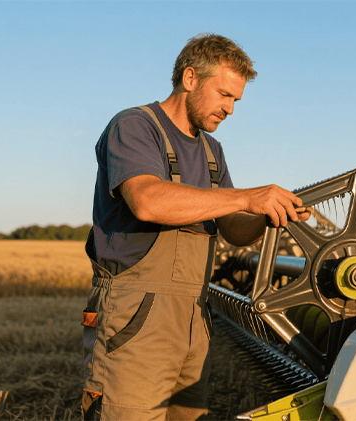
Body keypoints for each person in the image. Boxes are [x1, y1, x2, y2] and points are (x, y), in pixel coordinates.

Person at [81, 33, 308, 421]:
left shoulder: (211, 150)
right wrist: (245, 197)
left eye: (235, 100)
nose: (231, 109)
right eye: (224, 95)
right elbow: (148, 200)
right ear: (190, 79)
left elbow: (233, 229)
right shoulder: (134, 126)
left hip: (194, 318)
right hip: (135, 318)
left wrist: (270, 215)